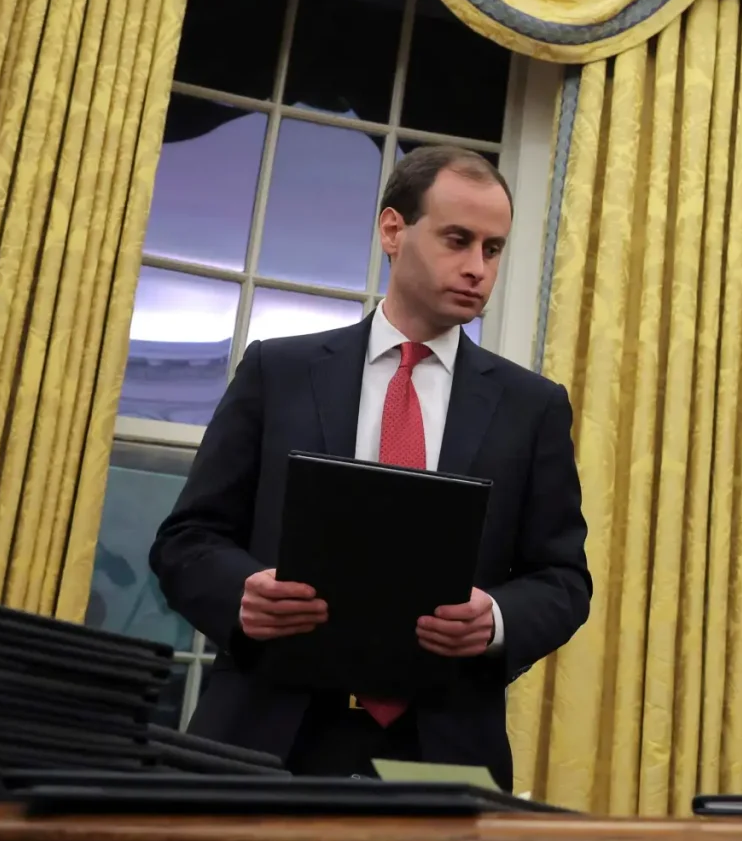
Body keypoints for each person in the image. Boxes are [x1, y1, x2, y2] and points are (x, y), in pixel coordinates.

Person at [150, 145, 590, 788]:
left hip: (442, 753)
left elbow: (563, 580)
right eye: (458, 240)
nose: (477, 268)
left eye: (492, 250)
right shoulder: (280, 372)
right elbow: (186, 542)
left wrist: (495, 617)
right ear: (393, 229)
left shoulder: (533, 408)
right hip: (262, 740)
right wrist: (243, 595)